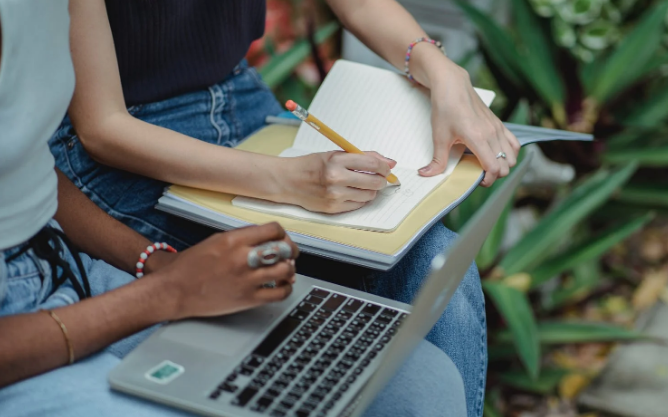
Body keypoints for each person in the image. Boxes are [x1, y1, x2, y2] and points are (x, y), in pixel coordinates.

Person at [50, 1, 520, 415]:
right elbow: (102, 127)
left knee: (438, 269)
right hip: (129, 142)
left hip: (237, 96)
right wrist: (287, 180)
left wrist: (440, 71)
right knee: (280, 292)